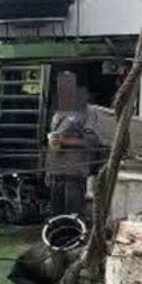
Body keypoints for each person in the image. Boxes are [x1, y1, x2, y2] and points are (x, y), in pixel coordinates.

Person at [44, 71, 102, 217]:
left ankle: (74, 239)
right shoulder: (58, 113)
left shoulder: (87, 111)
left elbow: (92, 141)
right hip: (56, 174)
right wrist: (48, 171)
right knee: (56, 217)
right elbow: (53, 144)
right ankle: (59, 240)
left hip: (74, 174)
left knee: (72, 217)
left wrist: (65, 141)